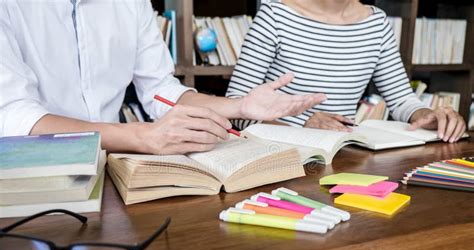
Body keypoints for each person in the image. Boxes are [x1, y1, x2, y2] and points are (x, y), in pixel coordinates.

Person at [0, 0, 326, 154]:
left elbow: (160, 90)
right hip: (29, 170)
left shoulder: (131, 4)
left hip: (109, 166)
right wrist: (141, 136)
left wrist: (240, 106)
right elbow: (15, 116)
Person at [227, 0, 467, 143]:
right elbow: (236, 108)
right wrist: (302, 122)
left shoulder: (377, 23)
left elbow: (402, 99)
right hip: (281, 155)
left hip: (342, 155)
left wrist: (426, 114)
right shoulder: (274, 15)